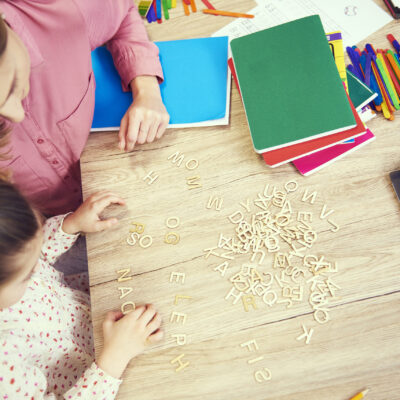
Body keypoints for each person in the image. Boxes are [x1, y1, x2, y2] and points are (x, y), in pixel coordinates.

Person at [0, 0, 169, 216]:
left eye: (16, 84)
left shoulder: (60, 11)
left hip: (121, 174)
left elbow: (124, 12)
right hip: (41, 229)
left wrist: (146, 89)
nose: (17, 114)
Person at [0, 179, 164, 398]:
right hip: (101, 381)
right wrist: (114, 357)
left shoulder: (10, 261)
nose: (35, 273)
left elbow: (34, 255)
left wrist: (70, 225)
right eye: (28, 274)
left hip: (95, 312)